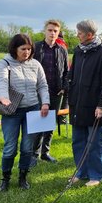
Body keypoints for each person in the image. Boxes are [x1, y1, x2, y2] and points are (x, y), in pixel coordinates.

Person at [0, 33, 50, 191]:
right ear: (15, 48)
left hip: (32, 109)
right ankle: (5, 179)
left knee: (27, 147)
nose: (26, 52)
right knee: (10, 147)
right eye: (23, 49)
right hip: (11, 110)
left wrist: (45, 102)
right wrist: (3, 97)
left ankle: (23, 177)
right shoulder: (5, 63)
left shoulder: (35, 64)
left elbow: (42, 85)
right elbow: (1, 81)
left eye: (29, 49)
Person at [67, 20, 102, 187]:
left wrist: (101, 104)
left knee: (94, 143)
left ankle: (97, 175)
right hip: (77, 104)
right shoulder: (78, 50)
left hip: (94, 106)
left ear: (90, 35)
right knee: (78, 141)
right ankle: (81, 172)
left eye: (79, 32)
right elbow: (72, 73)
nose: (77, 35)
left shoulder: (101, 52)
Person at [30, 19, 69, 166]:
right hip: (38, 92)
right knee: (38, 123)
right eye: (50, 30)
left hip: (56, 92)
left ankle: (45, 153)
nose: (52, 33)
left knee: (50, 124)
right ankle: (34, 154)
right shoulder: (36, 48)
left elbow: (66, 71)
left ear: (58, 33)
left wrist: (64, 87)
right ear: (45, 31)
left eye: (55, 31)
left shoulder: (62, 50)